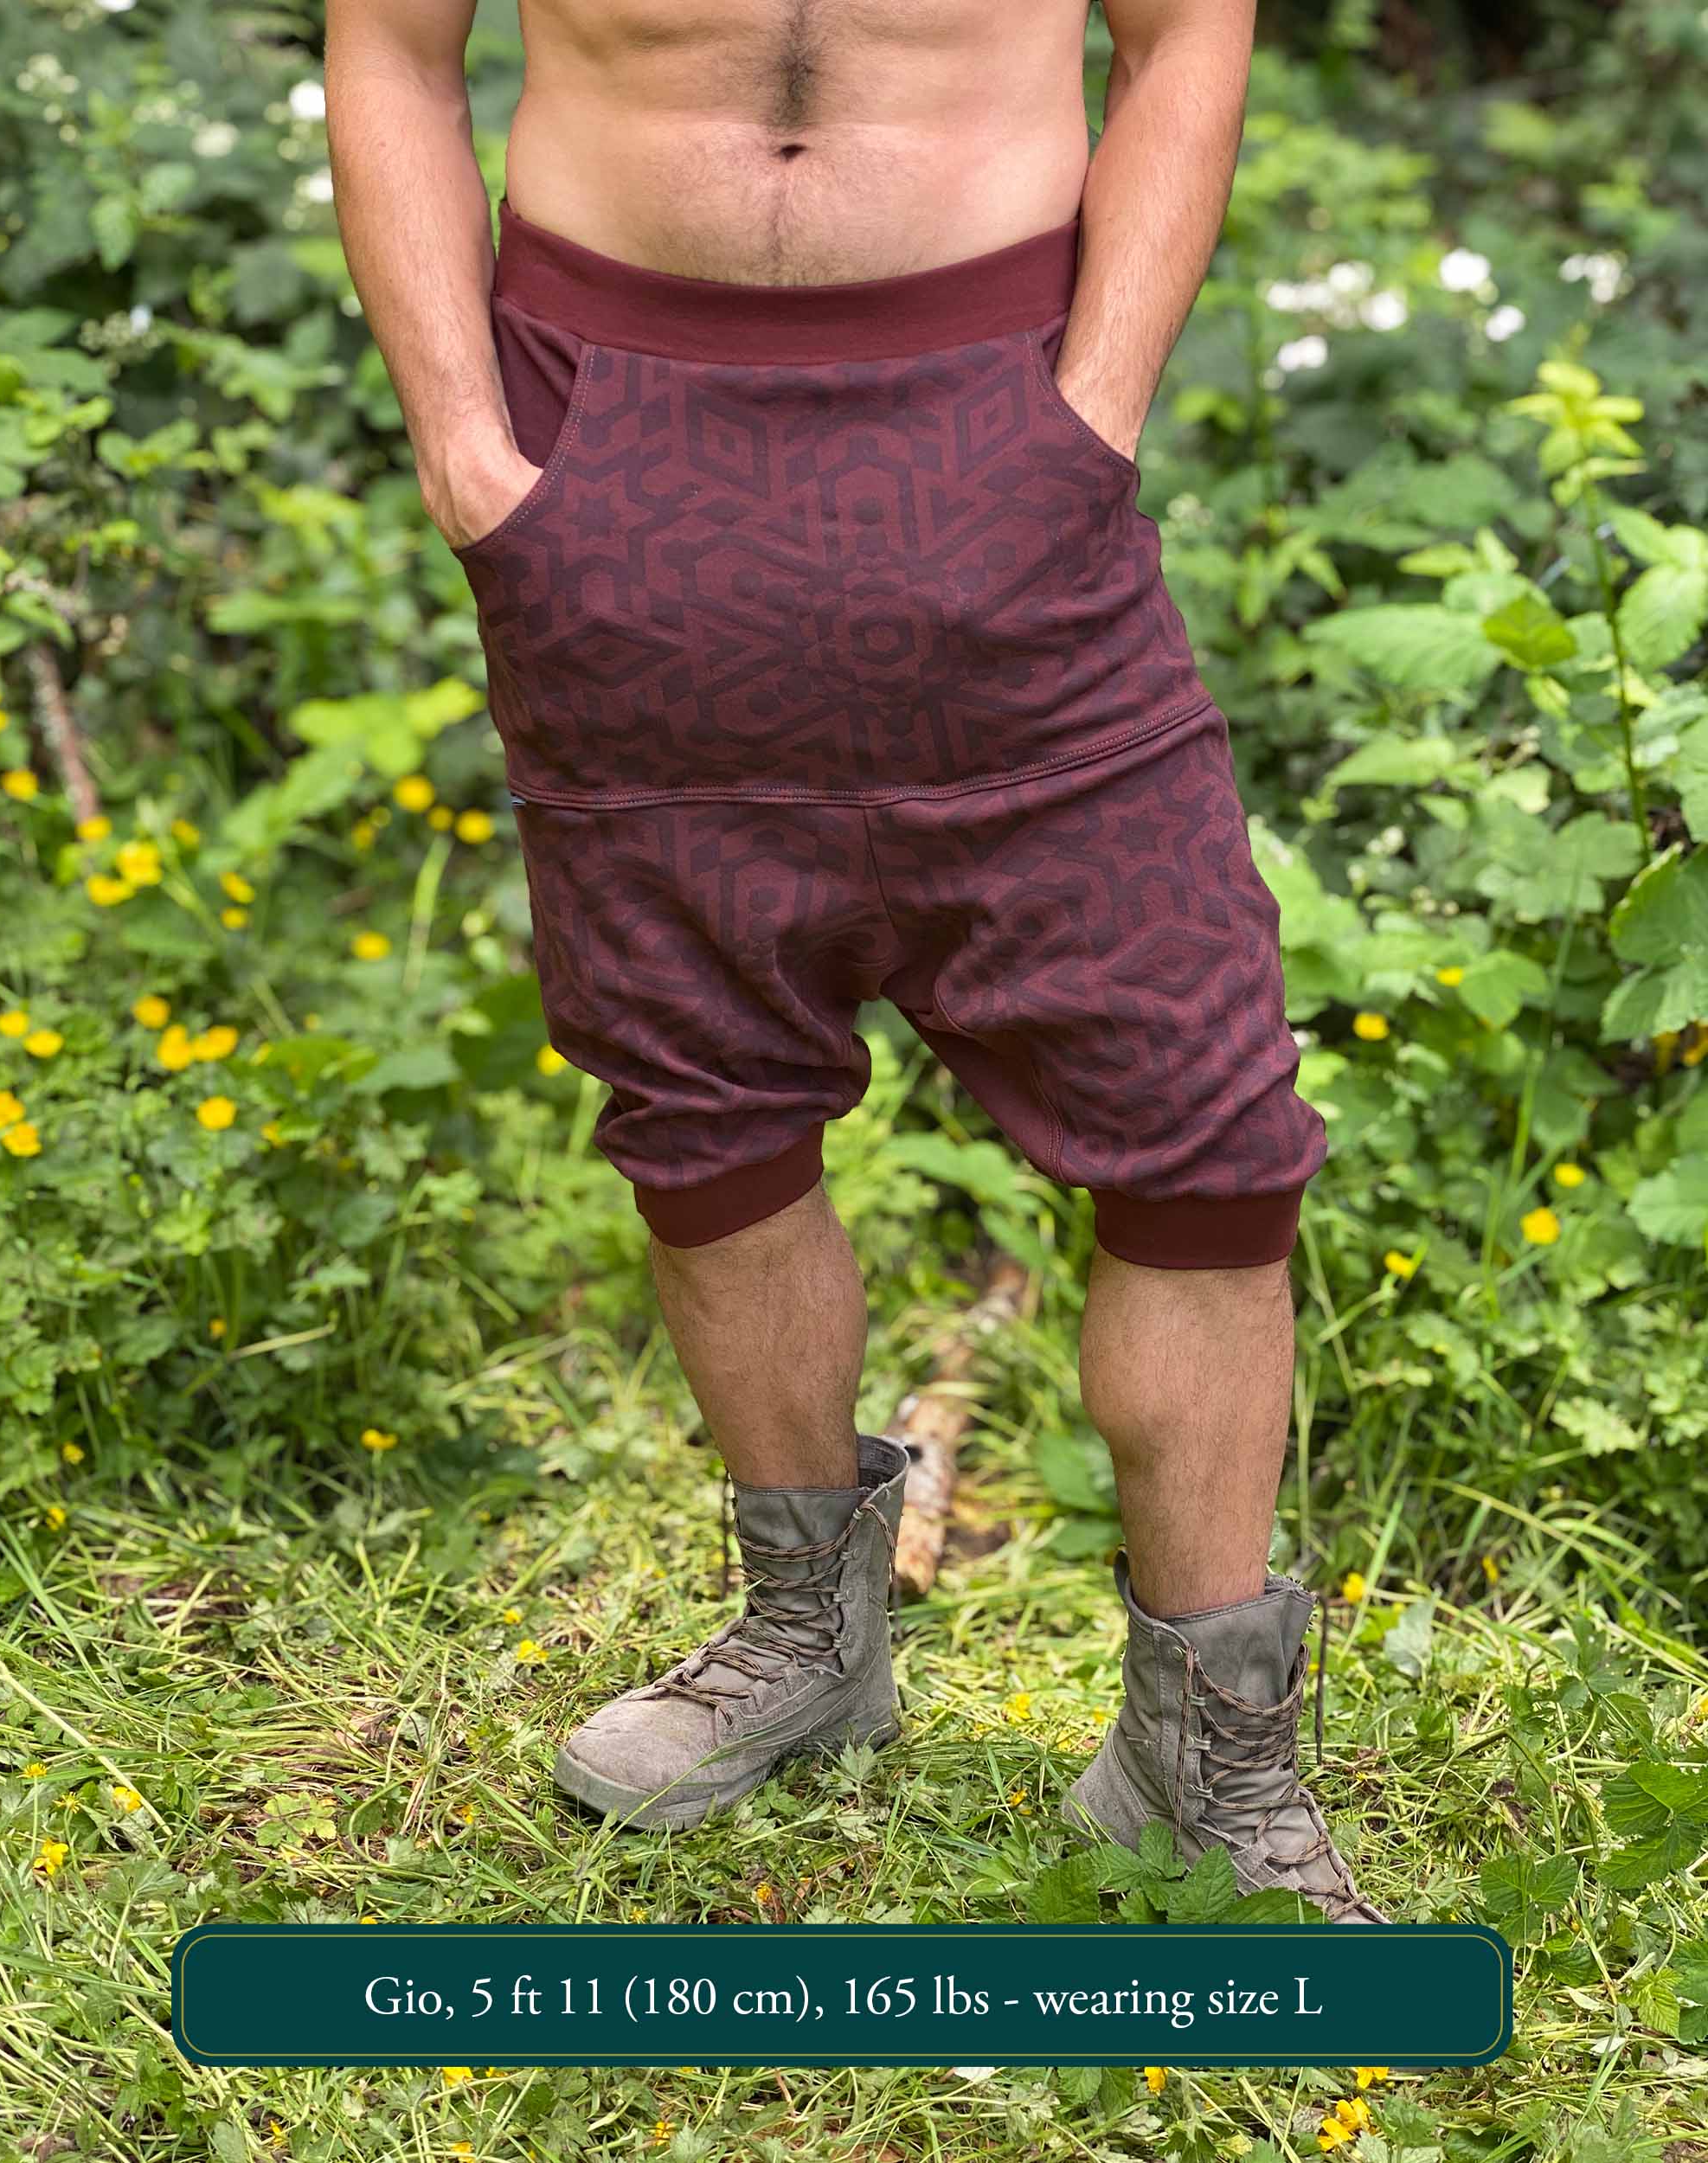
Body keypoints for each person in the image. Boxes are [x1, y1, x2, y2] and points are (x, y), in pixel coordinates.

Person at [326, 0, 1385, 1922]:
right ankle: (805, 1635)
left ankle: (1202, 1742)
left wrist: (1089, 418)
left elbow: (1184, 36)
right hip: (616, 439)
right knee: (700, 1095)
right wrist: (473, 461)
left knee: (1206, 1139)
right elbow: (390, 46)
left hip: (996, 428)